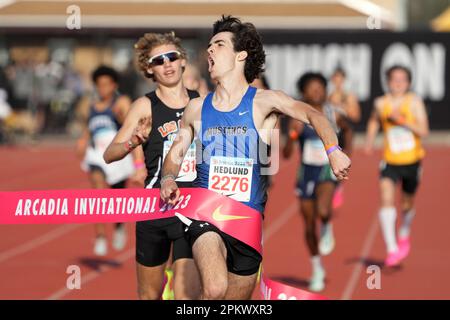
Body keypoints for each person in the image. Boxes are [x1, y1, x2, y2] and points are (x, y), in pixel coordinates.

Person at [160, 15, 351, 300]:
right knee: (214, 288)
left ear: (241, 56)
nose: (210, 50)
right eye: (209, 46)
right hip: (206, 213)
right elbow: (176, 151)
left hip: (246, 222)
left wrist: (333, 150)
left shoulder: (265, 102)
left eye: (219, 45)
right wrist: (168, 177)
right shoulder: (196, 108)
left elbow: (313, 114)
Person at [103, 32, 201, 300]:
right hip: (154, 208)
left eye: (172, 57)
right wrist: (133, 141)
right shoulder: (144, 106)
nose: (167, 64)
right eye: (159, 61)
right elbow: (109, 155)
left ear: (183, 62)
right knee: (149, 296)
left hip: (192, 207)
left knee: (185, 296)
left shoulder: (201, 102)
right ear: (149, 69)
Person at [283, 72, 353, 292]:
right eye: (311, 88)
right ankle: (317, 268)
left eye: (320, 87)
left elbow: (349, 131)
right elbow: (286, 154)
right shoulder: (298, 117)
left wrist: (346, 155)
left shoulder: (335, 114)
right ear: (303, 92)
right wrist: (294, 136)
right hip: (306, 173)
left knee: (323, 209)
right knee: (308, 223)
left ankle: (327, 223)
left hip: (326, 170)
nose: (316, 91)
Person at [365, 65, 429, 267]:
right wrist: (369, 141)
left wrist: (401, 120)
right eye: (394, 79)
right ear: (388, 81)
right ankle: (392, 249)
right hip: (390, 161)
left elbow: (424, 130)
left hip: (412, 162)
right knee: (385, 198)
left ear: (408, 82)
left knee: (407, 204)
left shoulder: (414, 102)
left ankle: (405, 230)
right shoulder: (380, 103)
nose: (398, 83)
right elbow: (374, 121)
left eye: (402, 80)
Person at [77, 66, 135, 256]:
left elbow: (130, 124)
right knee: (97, 191)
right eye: (99, 85)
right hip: (96, 155)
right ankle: (100, 236)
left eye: (106, 84)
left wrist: (121, 115)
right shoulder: (91, 105)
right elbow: (88, 128)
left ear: (114, 85)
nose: (103, 88)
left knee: (116, 196)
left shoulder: (121, 102)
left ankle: (119, 226)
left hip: (115, 155)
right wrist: (82, 141)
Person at [328, 67, 360, 209]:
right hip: (332, 131)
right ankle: (331, 183)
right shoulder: (328, 96)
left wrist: (342, 107)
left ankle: (338, 185)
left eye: (340, 78)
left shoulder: (349, 96)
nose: (338, 81)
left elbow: (356, 116)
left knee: (345, 159)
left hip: (345, 132)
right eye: (335, 78)